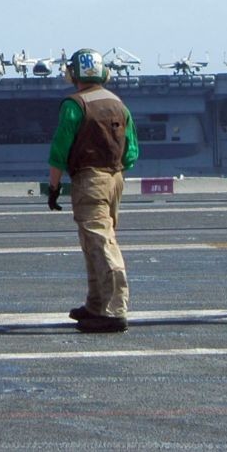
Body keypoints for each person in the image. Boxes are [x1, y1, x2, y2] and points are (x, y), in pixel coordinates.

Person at [46, 49, 139, 334]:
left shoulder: (74, 104)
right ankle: (96, 304)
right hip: (115, 178)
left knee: (101, 243)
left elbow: (60, 149)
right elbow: (132, 151)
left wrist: (53, 185)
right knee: (94, 242)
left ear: (74, 74)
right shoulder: (118, 103)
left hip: (90, 179)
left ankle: (114, 309)